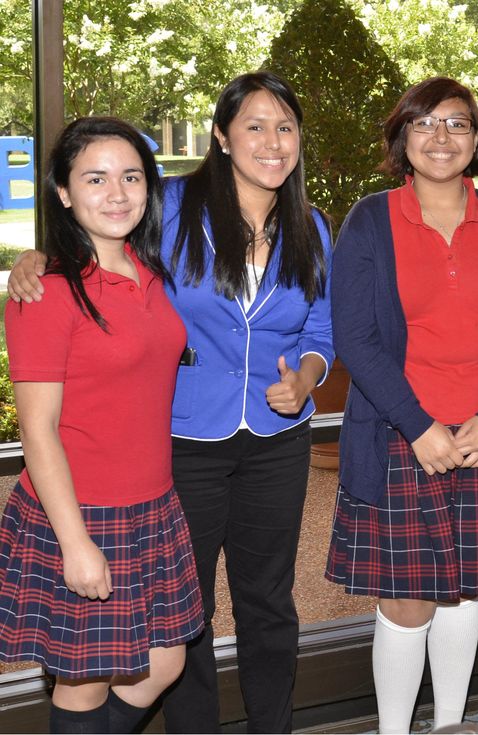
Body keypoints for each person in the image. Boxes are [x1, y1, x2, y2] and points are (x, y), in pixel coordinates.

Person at [7, 72, 333, 733]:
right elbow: (101, 238)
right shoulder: (172, 205)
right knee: (185, 620)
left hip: (278, 437)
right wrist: (36, 258)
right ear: (220, 137)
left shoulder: (312, 225)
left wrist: (307, 374)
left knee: (268, 601)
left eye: (285, 127)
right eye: (253, 126)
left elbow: (321, 326)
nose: (271, 142)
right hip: (184, 437)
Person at [325, 76, 478, 734]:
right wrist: (419, 424)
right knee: (406, 602)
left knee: (463, 590)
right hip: (401, 437)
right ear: (403, 138)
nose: (440, 137)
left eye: (456, 123)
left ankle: (452, 725)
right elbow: (356, 338)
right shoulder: (370, 220)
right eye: (424, 124)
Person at [0, 117, 204, 733]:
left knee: (164, 663)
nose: (117, 193)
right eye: (95, 178)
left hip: (152, 506)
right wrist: (75, 544)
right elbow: (38, 431)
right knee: (83, 682)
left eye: (131, 177)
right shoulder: (47, 292)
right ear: (63, 192)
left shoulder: (152, 273)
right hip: (83, 511)